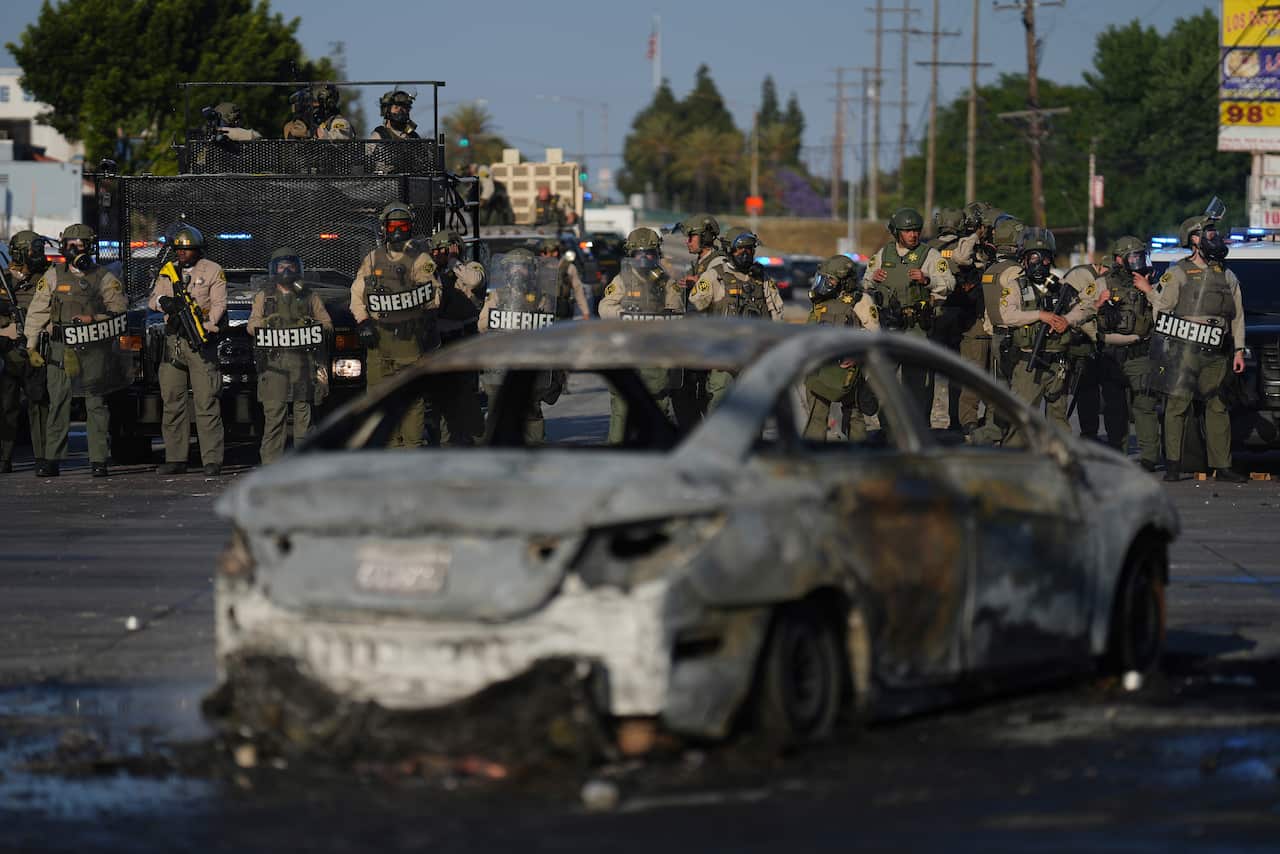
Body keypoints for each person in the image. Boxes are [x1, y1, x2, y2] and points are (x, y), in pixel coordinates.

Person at [1146, 211, 1247, 482]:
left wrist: (1238, 350)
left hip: (1218, 352)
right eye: (1209, 232)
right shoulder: (1176, 271)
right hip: (1185, 348)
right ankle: (1174, 465)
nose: (1215, 237)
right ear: (1194, 239)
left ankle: (1222, 465)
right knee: (1177, 407)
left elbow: (1237, 315)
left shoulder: (1226, 274)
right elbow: (1161, 309)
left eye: (1215, 232)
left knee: (1218, 407)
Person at [24, 224, 128, 477]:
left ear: (89, 247)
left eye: (79, 245)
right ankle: (52, 459)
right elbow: (37, 311)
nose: (74, 250)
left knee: (96, 404)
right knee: (58, 402)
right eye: (70, 244)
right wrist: (31, 345)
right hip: (60, 348)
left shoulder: (104, 276)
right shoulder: (53, 275)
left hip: (94, 347)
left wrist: (95, 319)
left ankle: (98, 459)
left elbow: (120, 311)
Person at [352, 202, 456, 448]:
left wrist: (413, 307)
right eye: (393, 226)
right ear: (384, 228)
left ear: (410, 228)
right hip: (379, 343)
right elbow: (357, 294)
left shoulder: (420, 259)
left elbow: (434, 295)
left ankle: (411, 458)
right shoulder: (372, 259)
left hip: (409, 342)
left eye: (403, 226)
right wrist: (363, 321)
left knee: (412, 405)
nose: (397, 231)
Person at [993, 227, 1091, 435]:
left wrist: (1066, 320)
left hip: (1058, 363)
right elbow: (1006, 315)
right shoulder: (1016, 286)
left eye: (1045, 258)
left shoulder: (1061, 286)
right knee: (1022, 419)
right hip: (1029, 363)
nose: (1040, 263)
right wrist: (1039, 315)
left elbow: (1083, 309)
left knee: (1059, 419)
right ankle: (1017, 459)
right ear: (1025, 260)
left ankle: (1060, 462)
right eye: (1034, 257)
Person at [149, 224, 227, 476]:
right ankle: (175, 457)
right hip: (173, 342)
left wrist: (206, 326)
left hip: (200, 342)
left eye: (187, 250)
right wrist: (165, 303)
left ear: (197, 250)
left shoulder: (213, 270)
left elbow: (218, 305)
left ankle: (212, 459)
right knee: (172, 402)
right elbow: (153, 299)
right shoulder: (167, 271)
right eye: (178, 250)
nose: (182, 254)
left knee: (206, 402)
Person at [863, 207, 955, 416]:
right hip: (888, 325)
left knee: (917, 382)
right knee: (884, 377)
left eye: (916, 230)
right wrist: (872, 278)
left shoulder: (929, 255)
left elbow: (949, 283)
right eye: (907, 231)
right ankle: (888, 428)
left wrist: (927, 279)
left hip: (916, 328)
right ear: (897, 232)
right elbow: (866, 280)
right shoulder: (884, 254)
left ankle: (919, 428)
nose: (913, 235)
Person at [598, 227, 686, 443]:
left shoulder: (666, 282)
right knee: (621, 409)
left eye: (649, 253)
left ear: (657, 254)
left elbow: (678, 314)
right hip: (627, 352)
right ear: (631, 255)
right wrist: (624, 315)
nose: (645, 258)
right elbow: (604, 308)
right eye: (639, 254)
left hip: (656, 356)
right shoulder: (622, 280)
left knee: (659, 407)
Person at [247, 248, 333, 464]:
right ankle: (271, 466)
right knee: (274, 418)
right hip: (274, 366)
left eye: (290, 266)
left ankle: (304, 465)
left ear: (298, 269)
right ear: (274, 270)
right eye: (281, 267)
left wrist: (310, 325)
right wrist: (267, 323)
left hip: (303, 365)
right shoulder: (264, 297)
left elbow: (327, 325)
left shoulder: (309, 295)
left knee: (304, 418)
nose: (286, 271)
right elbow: (251, 325)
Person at [688, 229, 785, 412]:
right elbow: (695, 309)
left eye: (749, 249)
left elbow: (776, 314)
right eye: (740, 249)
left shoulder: (762, 279)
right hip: (724, 358)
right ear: (729, 250)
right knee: (719, 405)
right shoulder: (713, 276)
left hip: (755, 357)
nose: (745, 253)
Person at [477, 248, 565, 442]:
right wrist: (496, 317)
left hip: (529, 362)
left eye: (522, 267)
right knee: (497, 411)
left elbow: (551, 329)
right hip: (501, 363)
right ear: (507, 271)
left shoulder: (541, 298)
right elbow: (482, 325)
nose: (518, 272)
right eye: (514, 267)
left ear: (531, 271)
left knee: (532, 411)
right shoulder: (496, 296)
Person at [1092, 236, 1160, 470]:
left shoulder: (1151, 281)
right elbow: (1084, 313)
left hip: (1141, 353)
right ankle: (1117, 454)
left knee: (1144, 406)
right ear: (1120, 259)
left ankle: (1150, 456)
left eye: (1141, 255)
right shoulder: (1103, 283)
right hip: (1111, 355)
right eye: (1134, 256)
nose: (1139, 261)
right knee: (1114, 409)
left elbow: (1166, 312)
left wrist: (1149, 290)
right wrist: (1098, 304)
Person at [803, 254, 881, 442]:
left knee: (854, 416)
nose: (825, 283)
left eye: (830, 280)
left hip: (848, 371)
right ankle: (812, 459)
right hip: (820, 368)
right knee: (816, 417)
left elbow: (874, 335)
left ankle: (859, 459)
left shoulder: (861, 301)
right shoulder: (821, 300)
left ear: (845, 281)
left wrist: (856, 355)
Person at [0, 230, 51, 473]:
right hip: (8, 353)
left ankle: (42, 457)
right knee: (6, 407)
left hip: (36, 350)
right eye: (34, 250)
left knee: (38, 405)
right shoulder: (4, 281)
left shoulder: (46, 277)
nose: (38, 255)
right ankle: (4, 458)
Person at [538, 237, 591, 319]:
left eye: (545, 252)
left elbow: (578, 290)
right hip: (543, 312)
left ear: (555, 253)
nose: (542, 255)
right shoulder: (539, 267)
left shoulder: (569, 268)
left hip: (562, 311)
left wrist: (585, 312)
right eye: (541, 252)